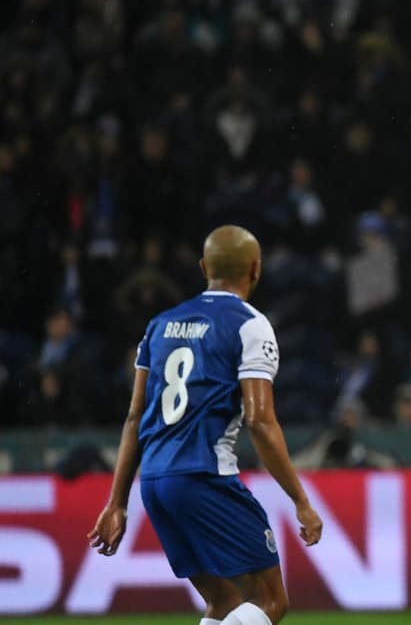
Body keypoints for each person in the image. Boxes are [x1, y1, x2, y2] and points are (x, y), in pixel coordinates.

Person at [88, 226, 323, 625]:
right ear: (256, 269)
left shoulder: (159, 325)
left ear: (203, 268)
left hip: (156, 482)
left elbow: (134, 417)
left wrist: (117, 502)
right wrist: (301, 500)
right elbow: (260, 420)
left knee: (224, 603)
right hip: (204, 476)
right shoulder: (250, 325)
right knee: (270, 602)